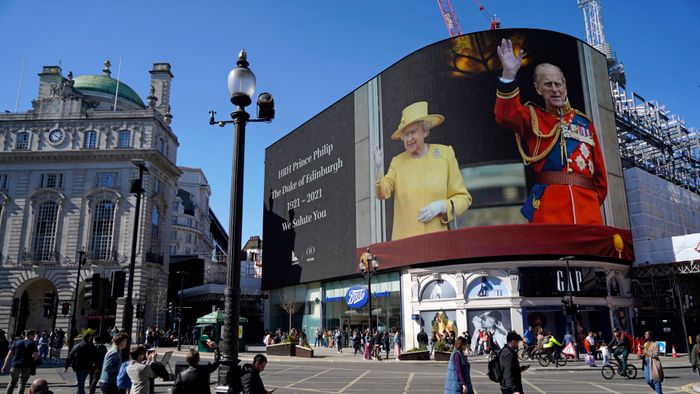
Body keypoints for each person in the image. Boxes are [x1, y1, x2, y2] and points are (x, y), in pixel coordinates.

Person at [494, 38, 608, 225]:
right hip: (549, 210)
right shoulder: (533, 117)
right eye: (548, 85)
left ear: (565, 87)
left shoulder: (585, 124)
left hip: (588, 211)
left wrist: (593, 203)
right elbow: (505, 116)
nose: (555, 90)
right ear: (538, 89)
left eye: (558, 84)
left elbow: (601, 178)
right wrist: (508, 75)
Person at [374, 101, 472, 240]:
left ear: (425, 130)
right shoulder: (397, 162)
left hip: (438, 243)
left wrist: (442, 206)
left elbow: (464, 198)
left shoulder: (445, 155)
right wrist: (378, 170)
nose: (408, 139)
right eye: (405, 135)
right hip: (406, 245)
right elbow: (383, 193)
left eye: (412, 132)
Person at [2, 329, 40, 394]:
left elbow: (8, 356)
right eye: (34, 335)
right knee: (22, 384)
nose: (34, 337)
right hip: (26, 366)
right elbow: (36, 356)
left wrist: (4, 366)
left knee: (11, 383)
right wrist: (32, 361)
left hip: (15, 365)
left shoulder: (16, 342)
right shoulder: (32, 343)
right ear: (30, 335)